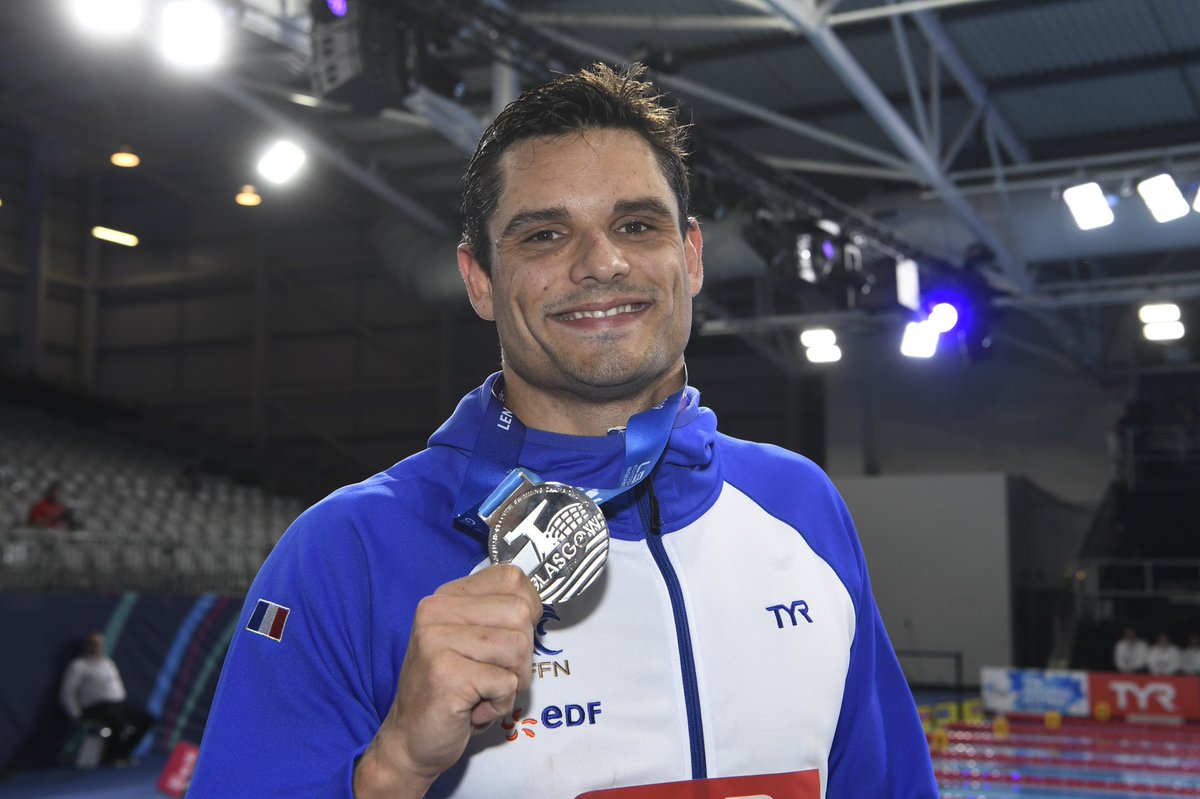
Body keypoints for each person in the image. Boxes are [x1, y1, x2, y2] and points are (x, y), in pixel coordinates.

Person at [189, 63, 937, 798]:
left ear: (692, 255)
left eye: (637, 224)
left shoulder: (799, 504)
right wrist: (395, 768)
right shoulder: (348, 550)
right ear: (479, 279)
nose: (601, 263)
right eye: (545, 235)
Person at [59, 632, 154, 765]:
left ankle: (123, 753)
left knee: (147, 719)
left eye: (100, 644)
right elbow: (67, 692)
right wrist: (76, 714)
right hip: (95, 707)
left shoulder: (107, 663)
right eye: (94, 644)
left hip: (117, 705)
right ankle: (110, 757)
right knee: (118, 724)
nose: (97, 647)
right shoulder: (79, 665)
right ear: (87, 646)